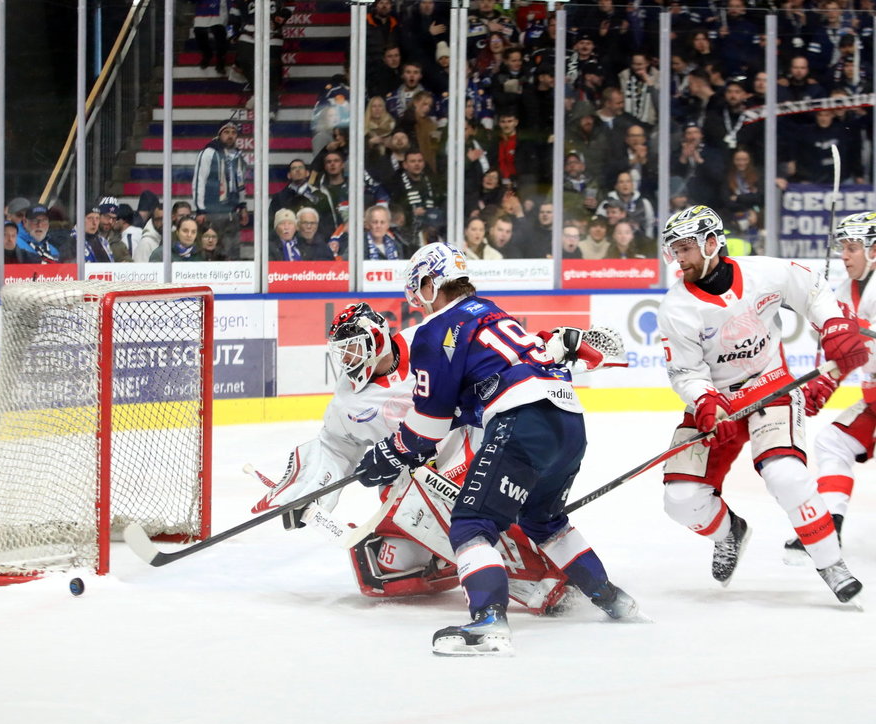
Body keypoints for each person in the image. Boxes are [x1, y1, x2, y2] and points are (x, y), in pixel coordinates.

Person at [355, 243, 643, 655]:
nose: (416, 302)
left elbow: (427, 429)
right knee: (545, 522)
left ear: (430, 283)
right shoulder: (491, 311)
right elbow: (472, 399)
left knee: (471, 524)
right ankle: (615, 601)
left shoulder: (435, 331)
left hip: (522, 422)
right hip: (569, 419)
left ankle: (488, 620)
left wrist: (390, 452)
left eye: (417, 290)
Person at [250, 300, 573, 615]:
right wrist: (310, 494)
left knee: (465, 514)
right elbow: (335, 447)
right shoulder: (347, 401)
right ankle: (459, 555)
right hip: (411, 489)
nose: (347, 358)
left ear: (376, 339)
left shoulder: (427, 342)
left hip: (469, 454)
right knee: (382, 570)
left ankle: (535, 578)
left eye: (353, 347)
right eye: (342, 351)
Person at [656, 205, 867, 604]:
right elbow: (686, 372)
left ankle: (830, 563)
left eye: (685, 248)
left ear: (712, 243)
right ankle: (728, 532)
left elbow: (814, 290)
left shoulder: (763, 272)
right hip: (718, 401)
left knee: (786, 475)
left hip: (771, 386)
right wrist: (703, 401)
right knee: (681, 499)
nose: (679, 258)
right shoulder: (675, 308)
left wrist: (834, 324)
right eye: (674, 250)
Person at [786, 212, 876, 558]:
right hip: (874, 401)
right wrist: (825, 382)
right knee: (833, 443)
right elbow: (847, 351)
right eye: (843, 247)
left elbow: (858, 346)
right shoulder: (842, 292)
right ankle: (828, 530)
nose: (844, 255)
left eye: (853, 247)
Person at [192, 122, 250, 259]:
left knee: (232, 253)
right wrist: (200, 209)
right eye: (226, 132)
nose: (230, 136)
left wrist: (242, 206)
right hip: (212, 212)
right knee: (210, 252)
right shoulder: (208, 153)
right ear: (219, 134)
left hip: (231, 214)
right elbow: (199, 180)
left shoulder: (238, 156)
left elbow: (240, 183)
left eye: (233, 133)